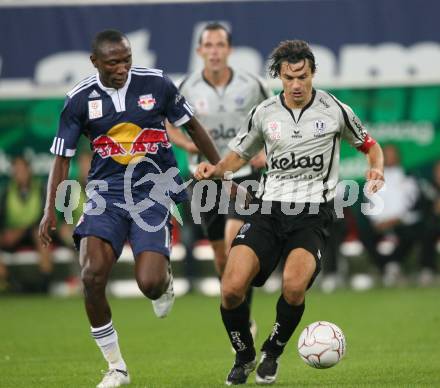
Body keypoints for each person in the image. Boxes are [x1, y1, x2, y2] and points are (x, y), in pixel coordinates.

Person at [39, 29, 223, 388]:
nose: (122, 68)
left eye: (127, 60)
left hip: (153, 191)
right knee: (91, 276)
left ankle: (164, 282)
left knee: (149, 284)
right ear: (95, 63)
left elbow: (195, 129)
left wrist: (222, 172)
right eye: (113, 63)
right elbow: (62, 158)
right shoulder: (79, 99)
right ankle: (116, 367)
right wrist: (50, 209)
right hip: (105, 195)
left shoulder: (157, 85)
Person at [195, 40, 384, 385]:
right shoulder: (264, 112)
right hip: (268, 209)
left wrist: (376, 168)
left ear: (312, 73)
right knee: (231, 289)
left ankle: (273, 350)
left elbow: (371, 147)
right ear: (279, 76)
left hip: (312, 213)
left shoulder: (334, 109)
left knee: (294, 288)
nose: (296, 85)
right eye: (288, 77)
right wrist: (217, 169)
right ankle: (244, 355)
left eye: (302, 76)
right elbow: (239, 154)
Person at [167, 22, 271, 334]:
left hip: (243, 174)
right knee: (221, 256)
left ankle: (242, 317)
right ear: (200, 51)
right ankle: (241, 318)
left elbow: (271, 116)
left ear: (229, 50)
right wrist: (186, 143)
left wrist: (264, 149)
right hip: (204, 176)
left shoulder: (251, 85)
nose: (214, 51)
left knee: (235, 241)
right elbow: (167, 121)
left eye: (220, 45)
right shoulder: (187, 87)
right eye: (208, 45)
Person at [358, 144, 424, 286]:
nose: (389, 158)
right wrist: (378, 222)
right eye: (386, 154)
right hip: (379, 224)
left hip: (402, 223)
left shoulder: (409, 178)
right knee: (365, 235)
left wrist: (396, 219)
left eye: (392, 154)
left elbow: (411, 204)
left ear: (398, 157)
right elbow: (369, 203)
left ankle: (392, 266)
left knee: (411, 234)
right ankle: (387, 267)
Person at [0, 155, 52, 293]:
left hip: (33, 232)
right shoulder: (6, 192)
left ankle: (44, 283)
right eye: (16, 170)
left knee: (41, 236)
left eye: (22, 169)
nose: (19, 173)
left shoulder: (40, 189)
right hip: (12, 233)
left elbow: (45, 216)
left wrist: (22, 230)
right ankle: (8, 282)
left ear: (29, 170)